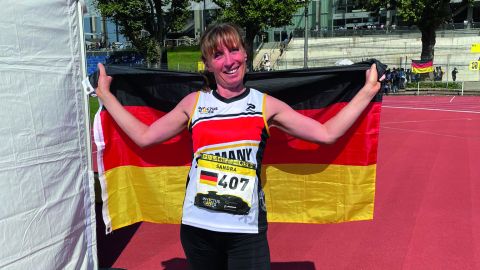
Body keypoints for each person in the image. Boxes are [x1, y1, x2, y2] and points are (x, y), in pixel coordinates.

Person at [95, 22, 381, 270]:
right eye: (217, 55)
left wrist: (367, 90)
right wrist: (106, 96)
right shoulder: (195, 104)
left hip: (245, 231)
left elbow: (326, 133)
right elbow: (145, 137)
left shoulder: (264, 105)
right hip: (199, 228)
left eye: (234, 50)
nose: (228, 61)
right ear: (207, 64)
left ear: (246, 53)